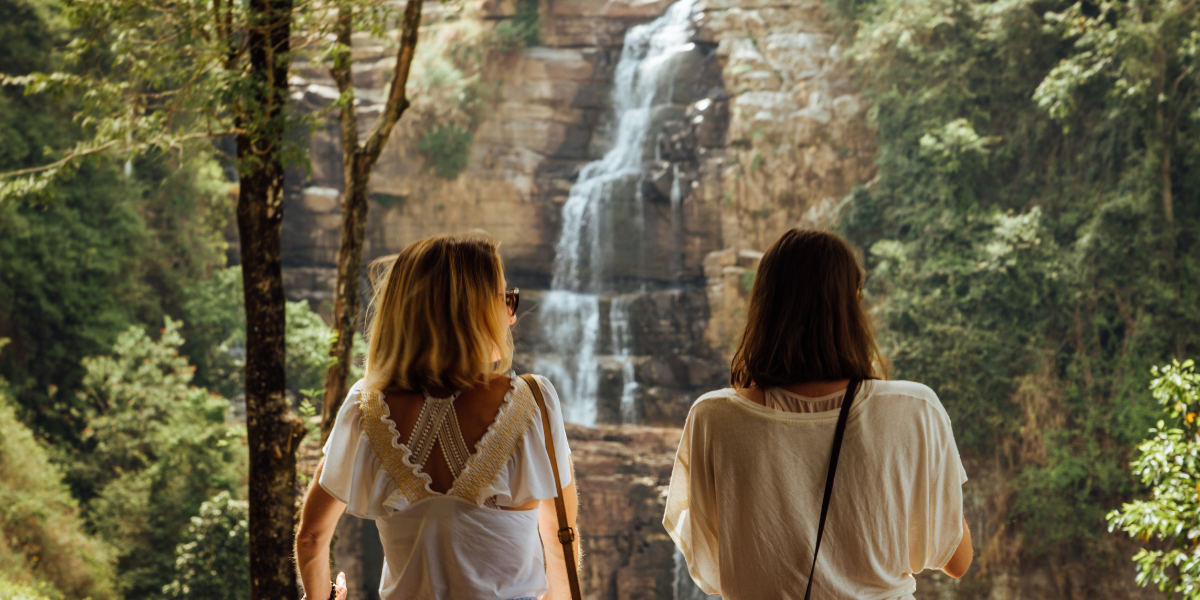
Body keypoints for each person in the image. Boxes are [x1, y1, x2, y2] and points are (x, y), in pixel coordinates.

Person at [663, 229, 973, 599]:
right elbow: (957, 560)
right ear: (853, 304)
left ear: (764, 307)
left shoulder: (713, 418)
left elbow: (713, 564)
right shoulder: (915, 409)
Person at [294, 233, 579, 600]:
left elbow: (311, 537)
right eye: (506, 299)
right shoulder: (533, 400)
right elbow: (560, 539)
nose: (512, 315)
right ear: (471, 311)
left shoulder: (364, 405)